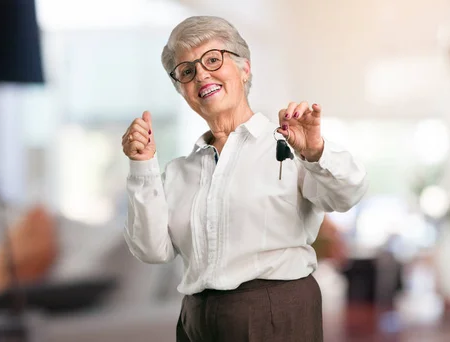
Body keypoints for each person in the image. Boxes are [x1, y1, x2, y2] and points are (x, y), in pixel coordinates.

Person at [121, 16, 368, 342]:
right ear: (182, 89)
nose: (202, 75)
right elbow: (153, 251)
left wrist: (316, 151)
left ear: (244, 69)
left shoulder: (290, 145)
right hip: (196, 319)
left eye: (212, 59)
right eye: (187, 71)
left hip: (275, 314)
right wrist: (142, 166)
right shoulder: (178, 172)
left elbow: (348, 194)